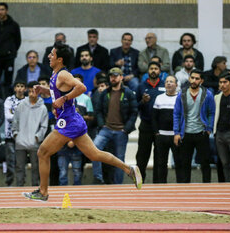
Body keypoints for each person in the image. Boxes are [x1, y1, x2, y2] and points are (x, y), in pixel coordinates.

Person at [22, 42, 142, 202]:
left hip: (68, 122)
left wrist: (63, 98)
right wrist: (44, 91)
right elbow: (58, 91)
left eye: (52, 54)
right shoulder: (55, 74)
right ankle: (128, 169)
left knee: (43, 152)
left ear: (60, 59)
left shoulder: (63, 74)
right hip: (73, 120)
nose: (49, 56)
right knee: (95, 154)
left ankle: (43, 192)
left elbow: (82, 87)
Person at [93, 67, 138, 184]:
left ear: (121, 77)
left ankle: (118, 184)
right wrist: (102, 125)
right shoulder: (105, 93)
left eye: (116, 76)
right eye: (111, 76)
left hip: (121, 131)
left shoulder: (128, 93)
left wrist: (126, 129)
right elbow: (98, 111)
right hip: (106, 129)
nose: (113, 78)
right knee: (94, 149)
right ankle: (98, 178)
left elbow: (134, 112)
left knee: (119, 159)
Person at [173, 69, 215, 183]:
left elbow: (211, 112)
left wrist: (209, 128)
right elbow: (176, 114)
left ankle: (207, 187)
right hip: (185, 133)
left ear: (201, 81)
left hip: (201, 133)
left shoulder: (208, 94)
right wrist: (176, 132)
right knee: (185, 163)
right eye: (192, 78)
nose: (194, 80)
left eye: (197, 79)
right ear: (189, 78)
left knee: (205, 162)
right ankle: (186, 189)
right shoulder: (181, 94)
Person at [12, 81, 48, 186]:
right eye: (30, 91)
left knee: (36, 167)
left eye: (34, 91)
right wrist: (16, 135)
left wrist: (37, 138)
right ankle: (19, 187)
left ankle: (35, 187)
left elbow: (44, 126)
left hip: (34, 142)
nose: (32, 93)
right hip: (20, 141)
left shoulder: (43, 108)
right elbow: (15, 122)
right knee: (19, 167)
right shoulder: (21, 105)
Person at [136, 61, 165, 183]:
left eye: (156, 69)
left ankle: (158, 184)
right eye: (151, 68)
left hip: (160, 126)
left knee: (159, 157)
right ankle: (139, 182)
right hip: (146, 125)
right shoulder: (141, 86)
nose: (153, 71)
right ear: (148, 71)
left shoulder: (165, 85)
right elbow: (135, 106)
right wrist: (142, 101)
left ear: (160, 71)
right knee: (142, 156)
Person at [152, 75, 181, 183]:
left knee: (179, 162)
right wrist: (157, 133)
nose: (169, 83)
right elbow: (154, 117)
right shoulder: (159, 98)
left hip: (176, 136)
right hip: (162, 136)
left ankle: (181, 186)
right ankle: (161, 187)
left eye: (171, 82)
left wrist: (179, 133)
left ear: (176, 85)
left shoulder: (180, 98)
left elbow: (183, 117)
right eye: (167, 81)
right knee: (161, 163)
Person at [0, 2, 21, 99]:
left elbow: (18, 41)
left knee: (8, 81)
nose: (0, 12)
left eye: (2, 9)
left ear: (6, 11)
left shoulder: (14, 25)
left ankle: (9, 100)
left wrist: (12, 52)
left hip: (9, 58)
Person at [4, 81, 26, 186]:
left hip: (24, 136)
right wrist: (21, 116)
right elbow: (8, 117)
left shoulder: (27, 101)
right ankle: (9, 183)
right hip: (10, 135)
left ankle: (20, 183)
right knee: (10, 162)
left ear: (25, 89)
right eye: (18, 86)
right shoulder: (9, 100)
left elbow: (29, 117)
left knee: (21, 163)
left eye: (22, 86)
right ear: (14, 88)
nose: (20, 88)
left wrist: (15, 114)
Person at [37, 75, 58, 185]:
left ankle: (55, 183)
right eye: (39, 84)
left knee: (54, 158)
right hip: (40, 130)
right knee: (41, 156)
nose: (42, 86)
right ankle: (41, 184)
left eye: (44, 84)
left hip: (54, 129)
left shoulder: (54, 98)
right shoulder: (36, 100)